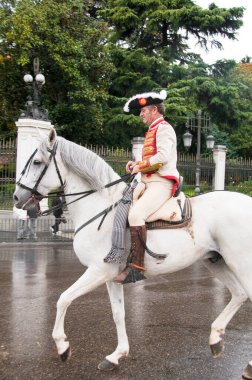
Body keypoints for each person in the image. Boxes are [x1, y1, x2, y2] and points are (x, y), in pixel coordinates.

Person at [112, 90, 179, 284]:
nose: (140, 114)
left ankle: (136, 267)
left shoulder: (164, 128)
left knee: (135, 215)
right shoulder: (152, 130)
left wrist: (140, 165)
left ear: (154, 110)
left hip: (162, 182)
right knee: (121, 206)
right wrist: (136, 164)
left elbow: (162, 158)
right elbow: (150, 159)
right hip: (147, 182)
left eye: (143, 111)